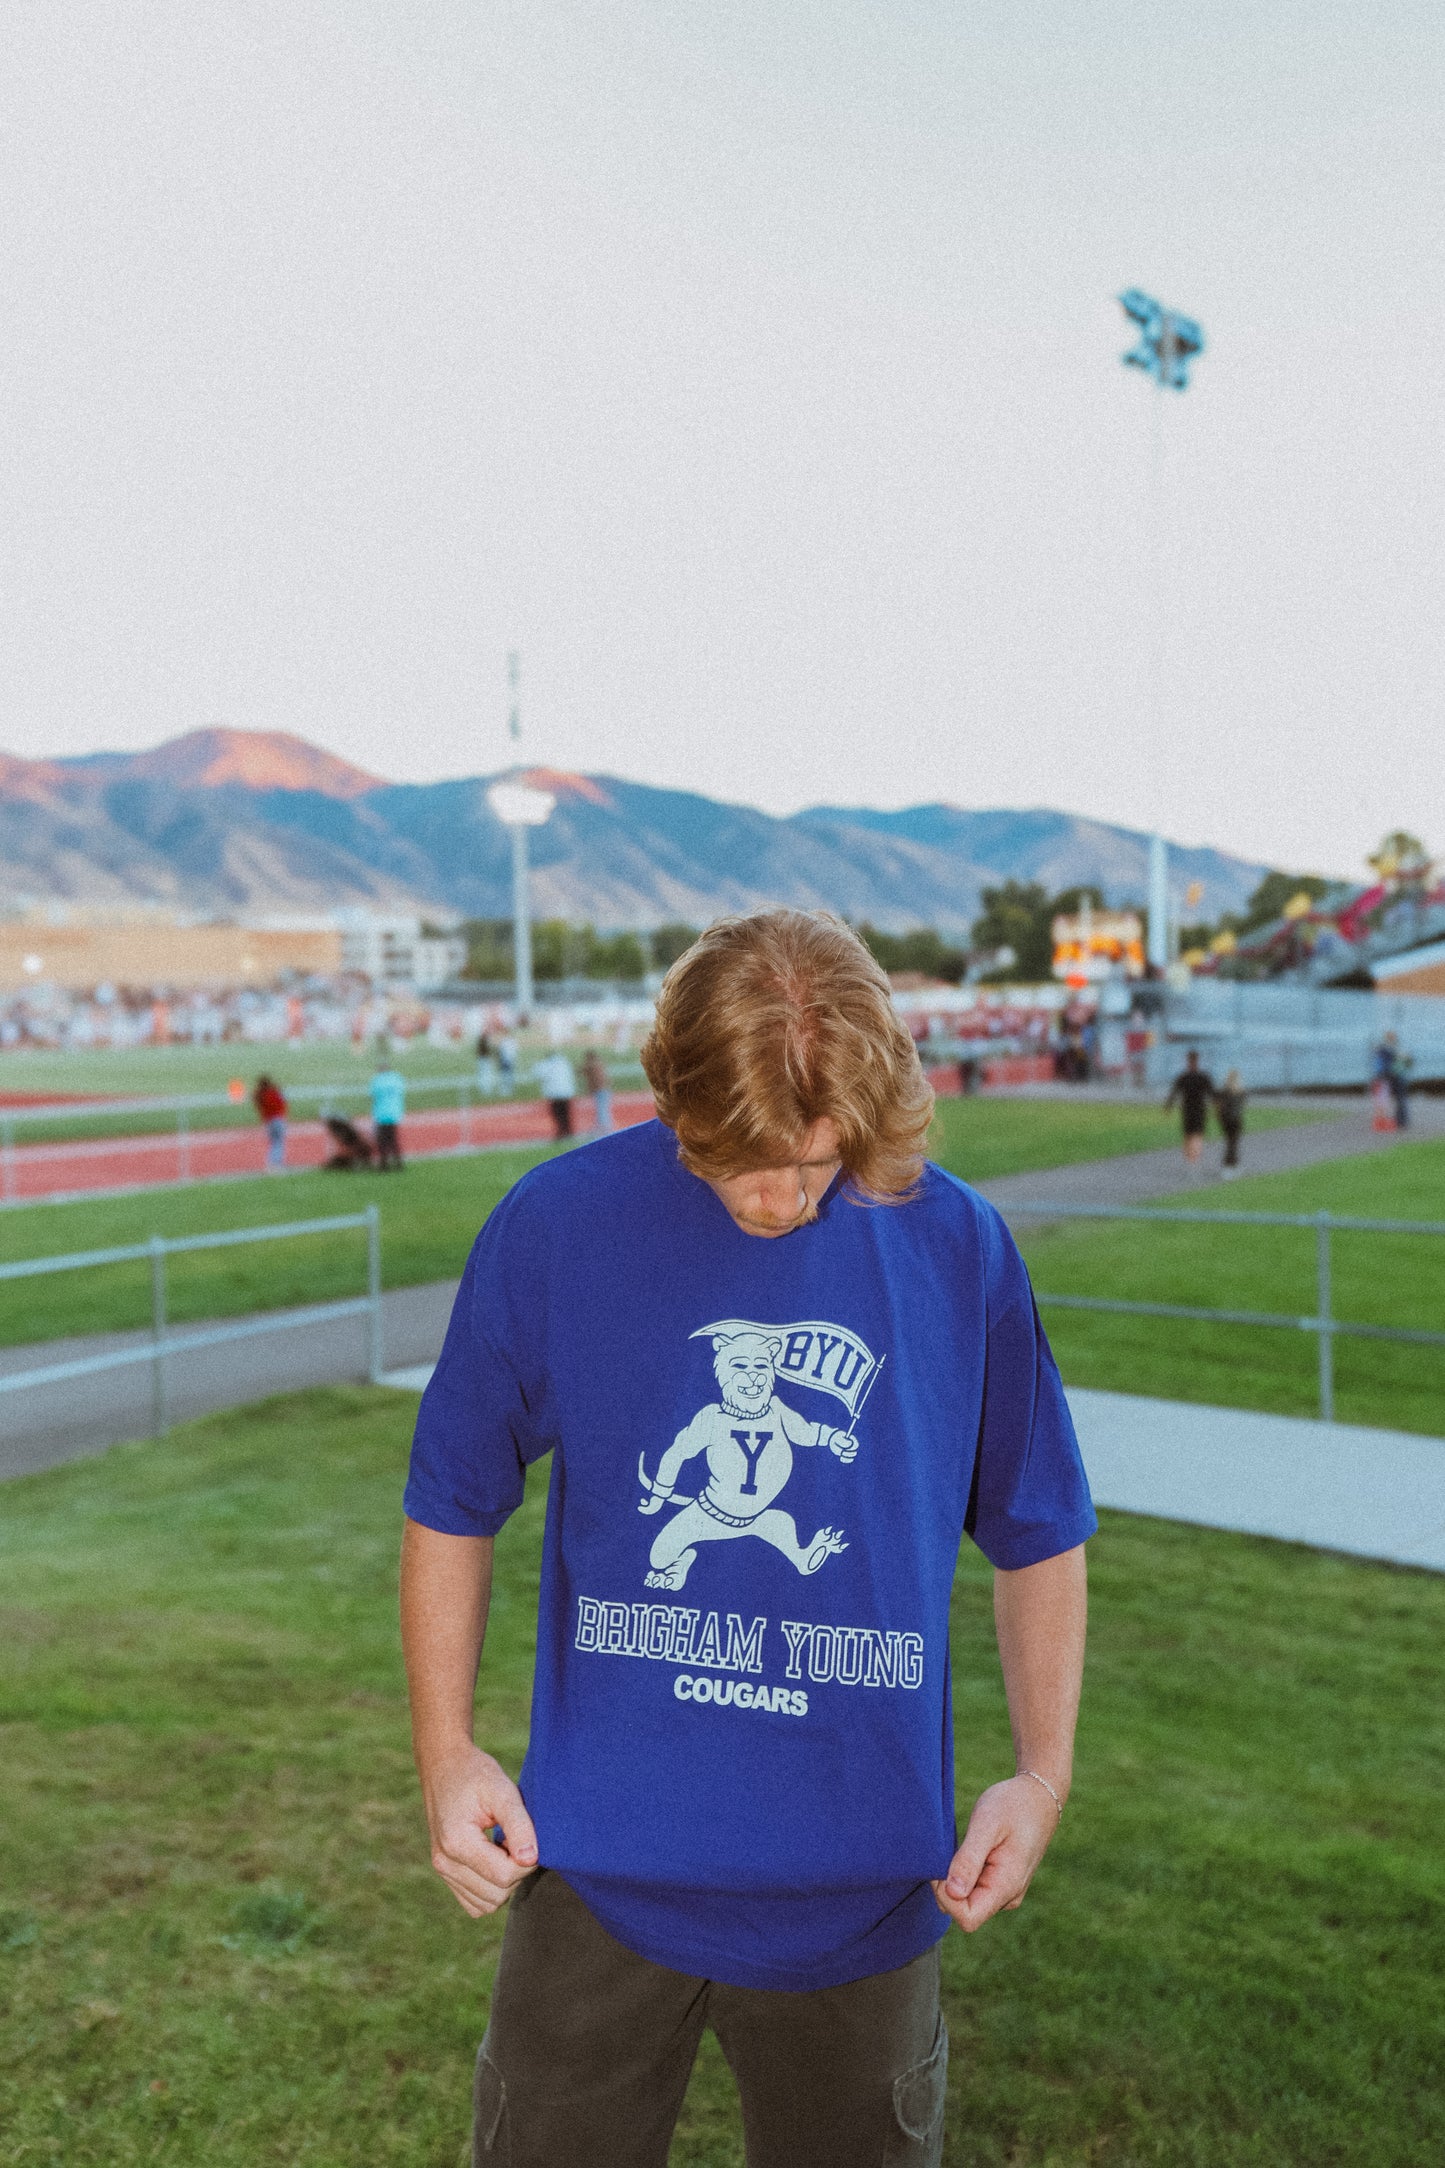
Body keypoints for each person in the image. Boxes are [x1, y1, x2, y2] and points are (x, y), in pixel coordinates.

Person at [400, 910, 1093, 2168]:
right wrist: (446, 1750)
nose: (781, 1201)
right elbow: (451, 1497)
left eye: (819, 1164)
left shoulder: (955, 1244)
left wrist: (1039, 1772)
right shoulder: (557, 1224)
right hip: (593, 1878)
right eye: (744, 1162)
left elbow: (1039, 1525)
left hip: (864, 1898)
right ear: (674, 1098)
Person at [1164, 1047, 1215, 1166]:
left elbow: (1174, 1093)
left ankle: (1190, 1158)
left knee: (1188, 1134)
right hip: (1199, 1110)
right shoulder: (1204, 1077)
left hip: (1187, 1110)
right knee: (1197, 1134)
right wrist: (1218, 1105)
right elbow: (1212, 1094)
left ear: (1187, 1061)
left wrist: (1168, 1107)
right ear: (1198, 1060)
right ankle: (1194, 1158)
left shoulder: (1183, 1077)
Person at [534, 1048, 577, 1140]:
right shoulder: (564, 1063)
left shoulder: (546, 1064)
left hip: (554, 1094)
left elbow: (538, 1074)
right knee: (566, 1114)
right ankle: (568, 1131)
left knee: (558, 1115)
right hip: (566, 1093)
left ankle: (561, 1132)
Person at [371, 1063, 406, 1170]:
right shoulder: (396, 1078)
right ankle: (398, 1163)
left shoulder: (377, 1081)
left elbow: (372, 1095)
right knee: (393, 1138)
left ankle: (384, 1164)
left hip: (381, 1114)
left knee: (382, 1140)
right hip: (394, 1113)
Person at [252, 1074, 288, 1171]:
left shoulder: (259, 1095)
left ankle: (272, 1163)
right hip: (278, 1119)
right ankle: (275, 1163)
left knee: (273, 1142)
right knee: (279, 1142)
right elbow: (283, 1101)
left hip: (268, 1121)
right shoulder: (273, 1092)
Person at [1215, 1068, 1246, 1177]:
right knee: (1233, 1144)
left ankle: (1232, 1165)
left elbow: (1218, 1106)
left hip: (1226, 1120)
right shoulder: (1240, 1091)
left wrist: (1219, 1118)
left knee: (1230, 1143)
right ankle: (1229, 1167)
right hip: (1235, 1120)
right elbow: (1241, 1107)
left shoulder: (1224, 1091)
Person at [581, 1046, 612, 1134]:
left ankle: (604, 1127)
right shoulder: (599, 1064)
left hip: (600, 1090)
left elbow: (582, 1070)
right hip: (604, 1090)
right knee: (602, 1108)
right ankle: (603, 1126)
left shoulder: (592, 1065)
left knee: (601, 1109)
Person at [475, 1030, 498, 1098]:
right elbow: (488, 1051)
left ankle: (485, 1089)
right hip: (485, 1060)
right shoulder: (484, 1042)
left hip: (482, 1060)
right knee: (486, 1075)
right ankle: (486, 1089)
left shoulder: (481, 1042)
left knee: (483, 1075)